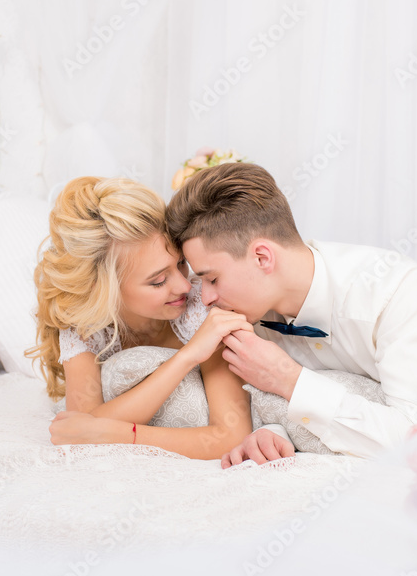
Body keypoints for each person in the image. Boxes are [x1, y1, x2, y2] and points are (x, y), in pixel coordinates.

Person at [165, 162, 417, 467]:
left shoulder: (394, 288)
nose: (206, 298)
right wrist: (272, 431)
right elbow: (303, 398)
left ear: (262, 257)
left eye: (212, 278)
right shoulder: (250, 309)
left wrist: (288, 378)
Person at [27, 176, 253, 460]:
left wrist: (120, 435)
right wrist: (187, 357)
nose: (185, 285)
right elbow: (78, 431)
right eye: (158, 281)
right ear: (104, 291)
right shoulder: (85, 327)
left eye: (180, 263)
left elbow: (231, 437)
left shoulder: (203, 308)